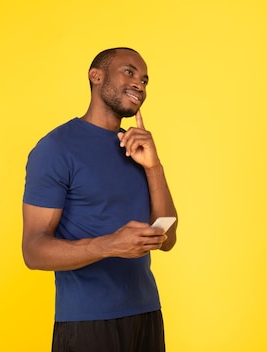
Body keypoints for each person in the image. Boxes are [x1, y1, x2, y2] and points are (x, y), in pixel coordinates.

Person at [22, 47, 177, 352]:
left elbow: (168, 236)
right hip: (87, 322)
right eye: (129, 72)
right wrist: (110, 245)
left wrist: (154, 167)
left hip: (146, 314)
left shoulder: (135, 149)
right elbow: (33, 249)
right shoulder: (56, 148)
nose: (139, 85)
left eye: (145, 80)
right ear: (97, 76)